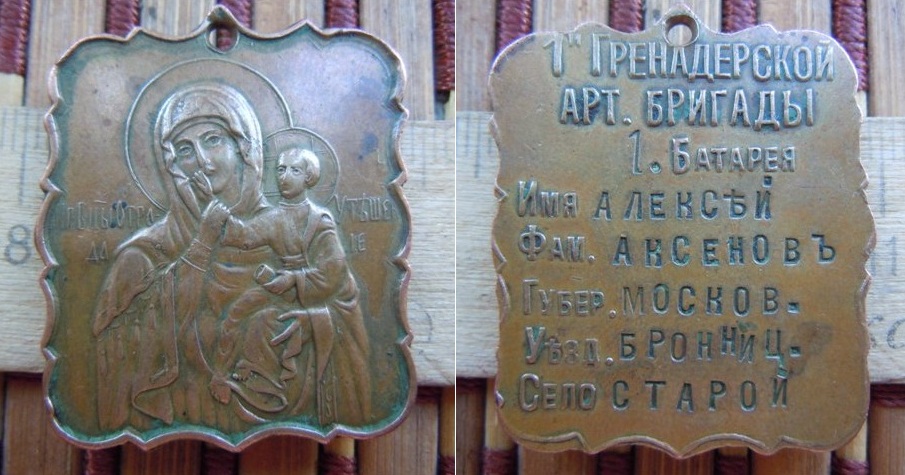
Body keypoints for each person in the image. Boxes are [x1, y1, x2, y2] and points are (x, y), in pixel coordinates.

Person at [92, 84, 324, 432]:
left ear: (244, 147)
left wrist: (309, 323)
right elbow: (121, 358)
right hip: (181, 412)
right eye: (185, 150)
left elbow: (339, 302)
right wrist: (202, 243)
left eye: (213, 140)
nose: (201, 160)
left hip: (278, 416)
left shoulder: (290, 231)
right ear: (172, 166)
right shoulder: (142, 256)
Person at [210, 146, 372, 425]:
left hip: (320, 292)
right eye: (281, 170)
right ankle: (224, 379)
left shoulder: (319, 220)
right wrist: (216, 212)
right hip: (284, 287)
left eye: (294, 170)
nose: (284, 177)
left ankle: (268, 386)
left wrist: (294, 279)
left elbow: (333, 271)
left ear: (309, 177)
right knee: (237, 311)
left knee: (263, 322)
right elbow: (244, 236)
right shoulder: (275, 217)